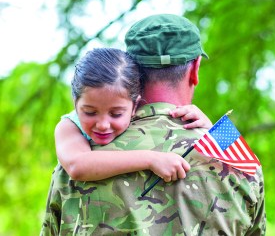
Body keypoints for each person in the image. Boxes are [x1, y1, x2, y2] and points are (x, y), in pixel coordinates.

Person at [41, 14, 266, 235]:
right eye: (91, 112)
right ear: (195, 70)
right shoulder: (239, 164)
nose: (102, 124)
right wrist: (208, 133)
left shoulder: (82, 158)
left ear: (132, 73)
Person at [54, 48, 212, 182]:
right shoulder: (69, 126)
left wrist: (209, 128)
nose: (103, 125)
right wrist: (151, 159)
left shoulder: (147, 117)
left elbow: (234, 164)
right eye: (90, 112)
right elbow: (77, 166)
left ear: (135, 105)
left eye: (116, 114)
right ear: (75, 103)